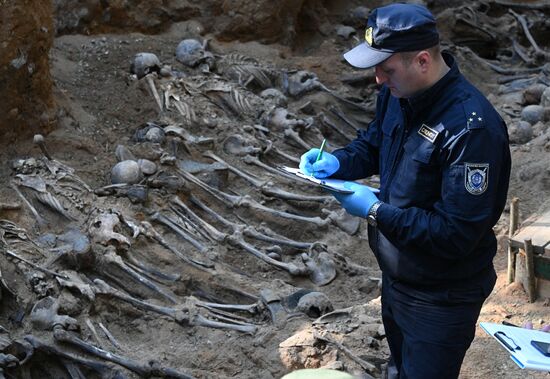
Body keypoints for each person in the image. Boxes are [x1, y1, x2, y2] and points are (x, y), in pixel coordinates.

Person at [299, 3, 511, 379]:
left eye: (386, 68)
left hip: (442, 294)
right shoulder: (399, 95)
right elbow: (375, 144)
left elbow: (455, 234)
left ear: (423, 61)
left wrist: (376, 212)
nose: (378, 79)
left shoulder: (471, 130)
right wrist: (339, 162)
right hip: (398, 277)